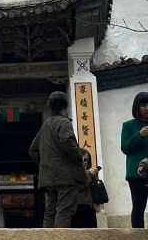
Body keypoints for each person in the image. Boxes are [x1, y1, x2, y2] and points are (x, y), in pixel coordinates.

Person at [29, 91, 90, 228]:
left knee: (50, 212)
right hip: (66, 177)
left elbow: (32, 150)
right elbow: (67, 142)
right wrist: (78, 157)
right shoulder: (64, 122)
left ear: (50, 108)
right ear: (65, 107)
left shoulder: (45, 125)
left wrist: (45, 163)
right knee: (65, 210)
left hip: (48, 178)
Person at [120, 91, 148, 228]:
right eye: (143, 105)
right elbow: (126, 148)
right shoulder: (128, 125)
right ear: (137, 106)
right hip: (136, 173)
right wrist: (140, 134)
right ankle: (138, 235)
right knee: (138, 206)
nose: (147, 108)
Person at [71, 148, 101, 228]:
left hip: (89, 205)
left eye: (86, 160)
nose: (85, 163)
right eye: (83, 160)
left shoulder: (87, 170)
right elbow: (80, 185)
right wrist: (88, 174)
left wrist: (94, 176)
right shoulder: (72, 170)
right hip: (78, 205)